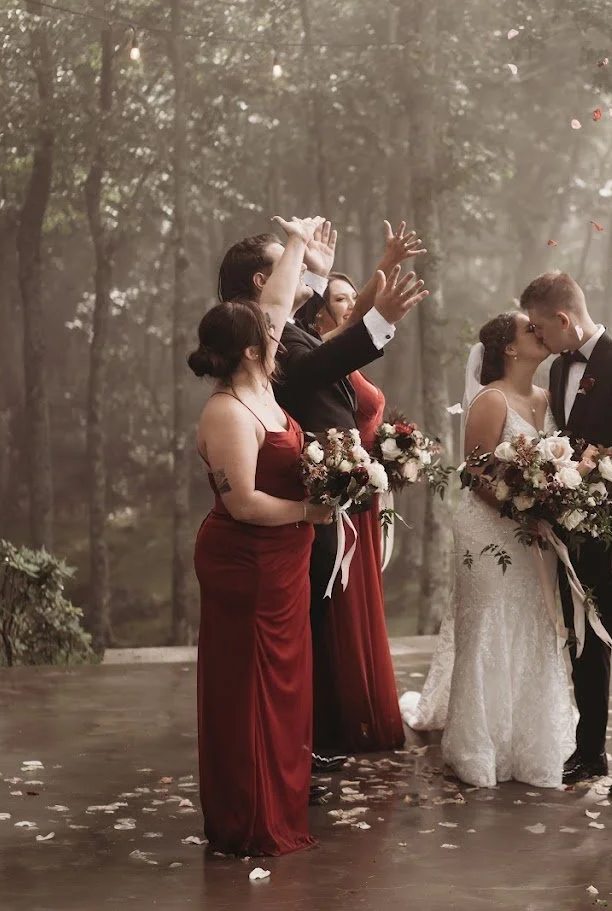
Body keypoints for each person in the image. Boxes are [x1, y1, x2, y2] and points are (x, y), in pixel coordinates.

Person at [216, 221, 425, 775]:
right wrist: (382, 318)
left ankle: (317, 735)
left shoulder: (282, 327)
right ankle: (300, 742)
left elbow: (318, 330)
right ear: (265, 279)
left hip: (324, 494)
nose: (304, 260)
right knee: (305, 625)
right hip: (298, 502)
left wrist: (314, 270)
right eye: (289, 259)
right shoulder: (259, 343)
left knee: (320, 621)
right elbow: (310, 364)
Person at [190, 215, 335, 857]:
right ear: (252, 348)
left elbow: (272, 303)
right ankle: (249, 817)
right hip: (245, 563)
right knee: (249, 684)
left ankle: (280, 800)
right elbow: (244, 504)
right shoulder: (227, 410)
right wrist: (310, 515)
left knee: (284, 685)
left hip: (283, 564)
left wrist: (300, 243)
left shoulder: (265, 386)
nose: (283, 334)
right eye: (271, 335)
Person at [400, 312, 574, 788]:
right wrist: (524, 511)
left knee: (533, 622)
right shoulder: (491, 399)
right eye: (528, 329)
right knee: (489, 624)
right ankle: (478, 744)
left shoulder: (549, 397)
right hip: (489, 532)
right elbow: (474, 474)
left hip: (535, 535)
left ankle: (528, 739)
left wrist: (553, 506)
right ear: (511, 349)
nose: (539, 331)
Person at [519, 271, 612, 798]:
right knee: (583, 643)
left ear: (562, 318)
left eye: (540, 328)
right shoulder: (559, 371)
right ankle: (590, 751)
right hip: (575, 533)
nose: (538, 339)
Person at [292, 267, 406, 754]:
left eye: (348, 298)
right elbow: (354, 320)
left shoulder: (343, 360)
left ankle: (350, 712)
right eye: (335, 299)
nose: (346, 305)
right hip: (336, 490)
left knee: (355, 603)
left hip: (361, 489)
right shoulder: (317, 354)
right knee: (332, 606)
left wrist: (397, 452)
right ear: (320, 313)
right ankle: (330, 721)